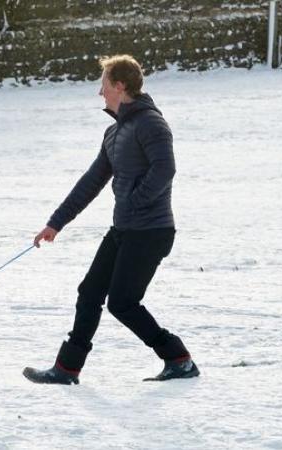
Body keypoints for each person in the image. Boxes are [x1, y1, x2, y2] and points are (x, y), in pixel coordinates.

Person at [23, 55, 199, 384]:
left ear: (120, 86)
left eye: (103, 85)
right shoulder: (114, 133)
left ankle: (178, 358)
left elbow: (165, 169)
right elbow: (91, 181)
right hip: (124, 230)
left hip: (151, 231)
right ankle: (66, 369)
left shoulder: (151, 124)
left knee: (122, 302)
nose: (99, 92)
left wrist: (134, 202)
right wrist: (56, 223)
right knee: (90, 293)